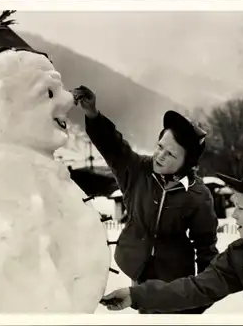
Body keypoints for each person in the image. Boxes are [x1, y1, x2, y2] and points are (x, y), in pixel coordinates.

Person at [72, 85, 220, 314]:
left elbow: (206, 246)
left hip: (174, 277)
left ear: (187, 162)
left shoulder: (198, 195)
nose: (160, 156)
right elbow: (113, 147)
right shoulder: (138, 170)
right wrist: (93, 114)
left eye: (170, 154)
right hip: (137, 267)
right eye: (160, 147)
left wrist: (202, 293)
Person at [100, 171, 243, 314]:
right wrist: (135, 295)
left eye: (241, 208)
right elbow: (196, 288)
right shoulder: (241, 255)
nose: (234, 215)